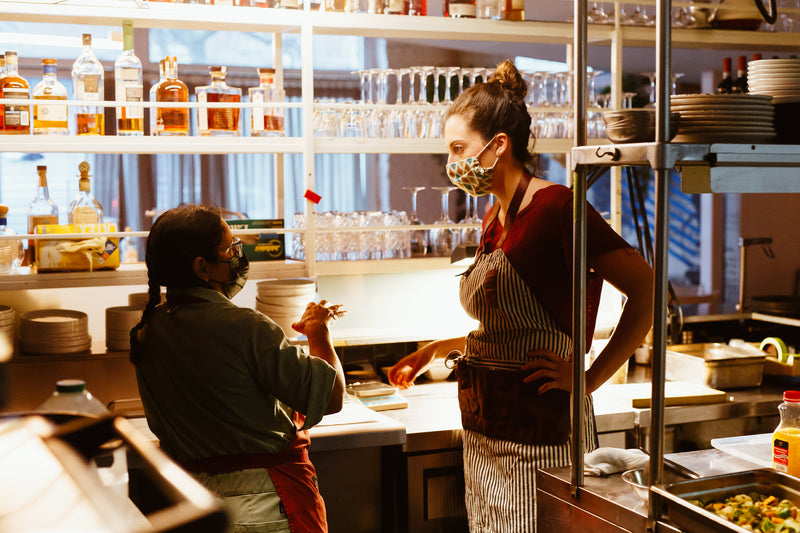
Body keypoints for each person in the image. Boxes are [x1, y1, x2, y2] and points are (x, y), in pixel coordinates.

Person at [387, 60, 654, 532]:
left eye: (457, 149)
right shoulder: (495, 217)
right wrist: (435, 350)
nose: (452, 165)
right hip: (487, 433)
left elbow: (647, 291)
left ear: (498, 145)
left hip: (544, 435)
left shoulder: (556, 208)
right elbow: (508, 330)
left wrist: (589, 380)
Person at [130, 204, 345, 533]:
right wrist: (319, 330)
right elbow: (331, 397)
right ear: (202, 267)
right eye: (231, 248)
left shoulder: (148, 331)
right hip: (267, 507)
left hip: (191, 505)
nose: (238, 256)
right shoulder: (246, 327)